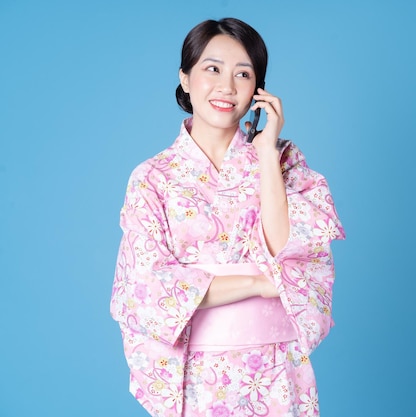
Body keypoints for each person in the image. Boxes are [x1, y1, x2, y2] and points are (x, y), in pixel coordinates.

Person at [110, 17, 345, 417]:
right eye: (212, 69)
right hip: (195, 373)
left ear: (258, 89)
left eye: (243, 74)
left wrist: (267, 153)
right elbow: (147, 288)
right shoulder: (152, 177)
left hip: (274, 370)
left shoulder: (285, 162)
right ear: (185, 78)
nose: (227, 86)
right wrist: (257, 280)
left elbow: (288, 251)